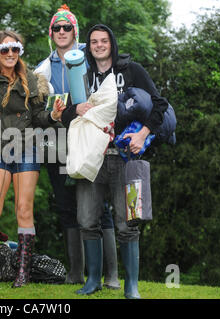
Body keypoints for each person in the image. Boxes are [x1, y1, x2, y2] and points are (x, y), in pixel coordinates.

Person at [61, 24, 169, 298]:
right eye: (93, 41)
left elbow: (159, 105)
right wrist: (76, 108)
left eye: (104, 41)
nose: (99, 45)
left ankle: (131, 286)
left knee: (127, 223)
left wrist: (143, 134)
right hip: (90, 158)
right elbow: (66, 116)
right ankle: (93, 281)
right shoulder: (80, 74)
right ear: (88, 45)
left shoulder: (131, 70)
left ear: (112, 43)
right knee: (87, 220)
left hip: (125, 158)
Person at [35, 4, 120, 289]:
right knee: (65, 205)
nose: (61, 32)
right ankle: (75, 272)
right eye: (56, 28)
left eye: (67, 27)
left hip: (89, 136)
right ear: (51, 33)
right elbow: (39, 108)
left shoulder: (91, 55)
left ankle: (112, 276)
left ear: (75, 30)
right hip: (57, 140)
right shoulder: (43, 68)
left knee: (99, 205)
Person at [0, 30, 64, 288]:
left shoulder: (32, 80)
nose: (10, 54)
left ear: (20, 52)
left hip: (26, 146)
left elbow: (38, 118)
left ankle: (23, 272)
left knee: (24, 209)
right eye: (5, 50)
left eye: (15, 49)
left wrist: (54, 117)